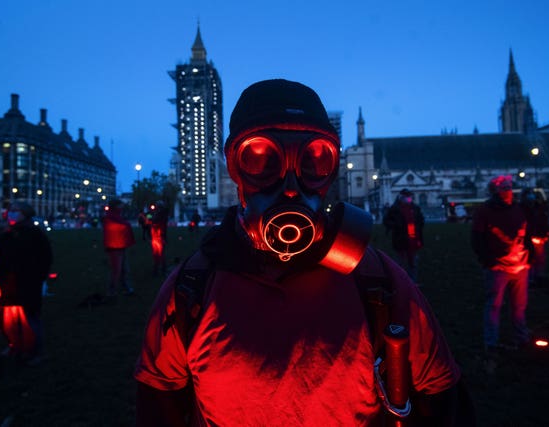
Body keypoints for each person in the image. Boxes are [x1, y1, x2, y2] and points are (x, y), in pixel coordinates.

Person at [135, 79, 471, 426]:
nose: (291, 187)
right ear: (235, 168)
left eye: (313, 160)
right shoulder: (192, 288)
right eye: (261, 159)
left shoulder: (379, 283)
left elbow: (443, 401)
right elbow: (158, 404)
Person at [471, 175, 533, 353]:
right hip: (497, 267)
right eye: (504, 187)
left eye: (509, 186)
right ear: (495, 190)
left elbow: (526, 233)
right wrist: (487, 260)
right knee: (494, 305)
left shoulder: (518, 209)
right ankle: (491, 342)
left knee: (519, 306)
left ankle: (521, 337)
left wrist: (530, 253)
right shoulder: (485, 211)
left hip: (520, 266)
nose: (509, 190)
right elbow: (477, 238)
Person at [0, 202, 53, 363]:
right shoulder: (7, 234)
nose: (11, 214)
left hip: (28, 282)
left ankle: (36, 350)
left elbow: (45, 258)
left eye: (15, 211)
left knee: (30, 316)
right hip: (9, 282)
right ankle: (14, 344)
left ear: (25, 214)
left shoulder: (34, 234)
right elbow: (0, 259)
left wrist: (37, 277)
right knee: (10, 317)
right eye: (10, 211)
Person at [382, 189, 425, 283]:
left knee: (413, 261)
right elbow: (386, 221)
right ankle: (400, 281)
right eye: (407, 197)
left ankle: (412, 281)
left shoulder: (415, 208)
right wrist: (396, 225)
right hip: (400, 237)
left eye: (409, 197)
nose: (409, 199)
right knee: (400, 261)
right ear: (401, 197)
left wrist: (418, 227)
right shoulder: (394, 209)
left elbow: (421, 220)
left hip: (413, 237)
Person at [102, 199, 135, 296]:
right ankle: (112, 291)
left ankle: (124, 286)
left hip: (120, 245)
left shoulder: (116, 217)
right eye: (120, 206)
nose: (122, 208)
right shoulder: (111, 218)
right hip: (114, 247)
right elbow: (113, 230)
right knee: (116, 270)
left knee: (124, 268)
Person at [520, 188, 549, 287]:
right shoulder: (521, 209)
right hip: (528, 237)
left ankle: (538, 276)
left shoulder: (538, 207)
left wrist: (546, 233)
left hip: (539, 237)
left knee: (540, 258)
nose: (531, 196)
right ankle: (530, 278)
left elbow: (544, 220)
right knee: (529, 259)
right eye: (529, 194)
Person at [148, 201, 169, 277]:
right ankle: (159, 269)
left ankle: (160, 270)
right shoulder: (160, 214)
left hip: (159, 236)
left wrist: (151, 217)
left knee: (159, 254)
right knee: (158, 254)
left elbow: (154, 222)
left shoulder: (161, 214)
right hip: (156, 236)